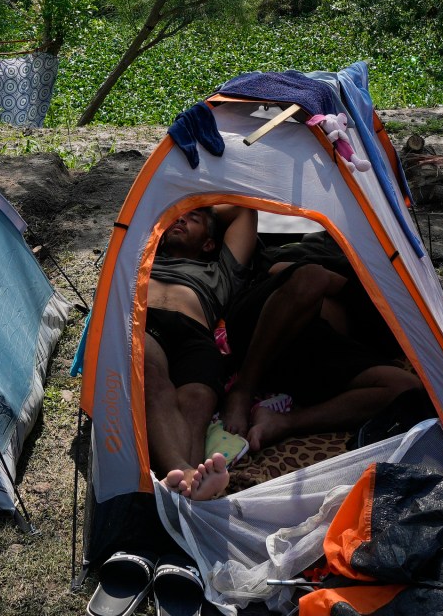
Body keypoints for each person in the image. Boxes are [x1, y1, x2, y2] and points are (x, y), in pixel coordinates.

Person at [217, 231, 421, 455]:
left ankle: (284, 423)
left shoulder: (395, 298)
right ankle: (243, 389)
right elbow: (278, 270)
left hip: (315, 354)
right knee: (314, 277)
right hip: (263, 326)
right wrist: (344, 286)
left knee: (407, 388)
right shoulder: (319, 249)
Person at [144, 204, 258, 501]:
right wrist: (181, 213)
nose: (180, 218)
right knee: (152, 377)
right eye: (176, 218)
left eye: (192, 220)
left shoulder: (221, 271)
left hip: (195, 335)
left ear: (209, 243)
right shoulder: (145, 256)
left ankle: (184, 482)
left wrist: (203, 211)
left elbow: (245, 211)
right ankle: (186, 470)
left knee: (198, 400)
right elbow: (143, 210)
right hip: (146, 321)